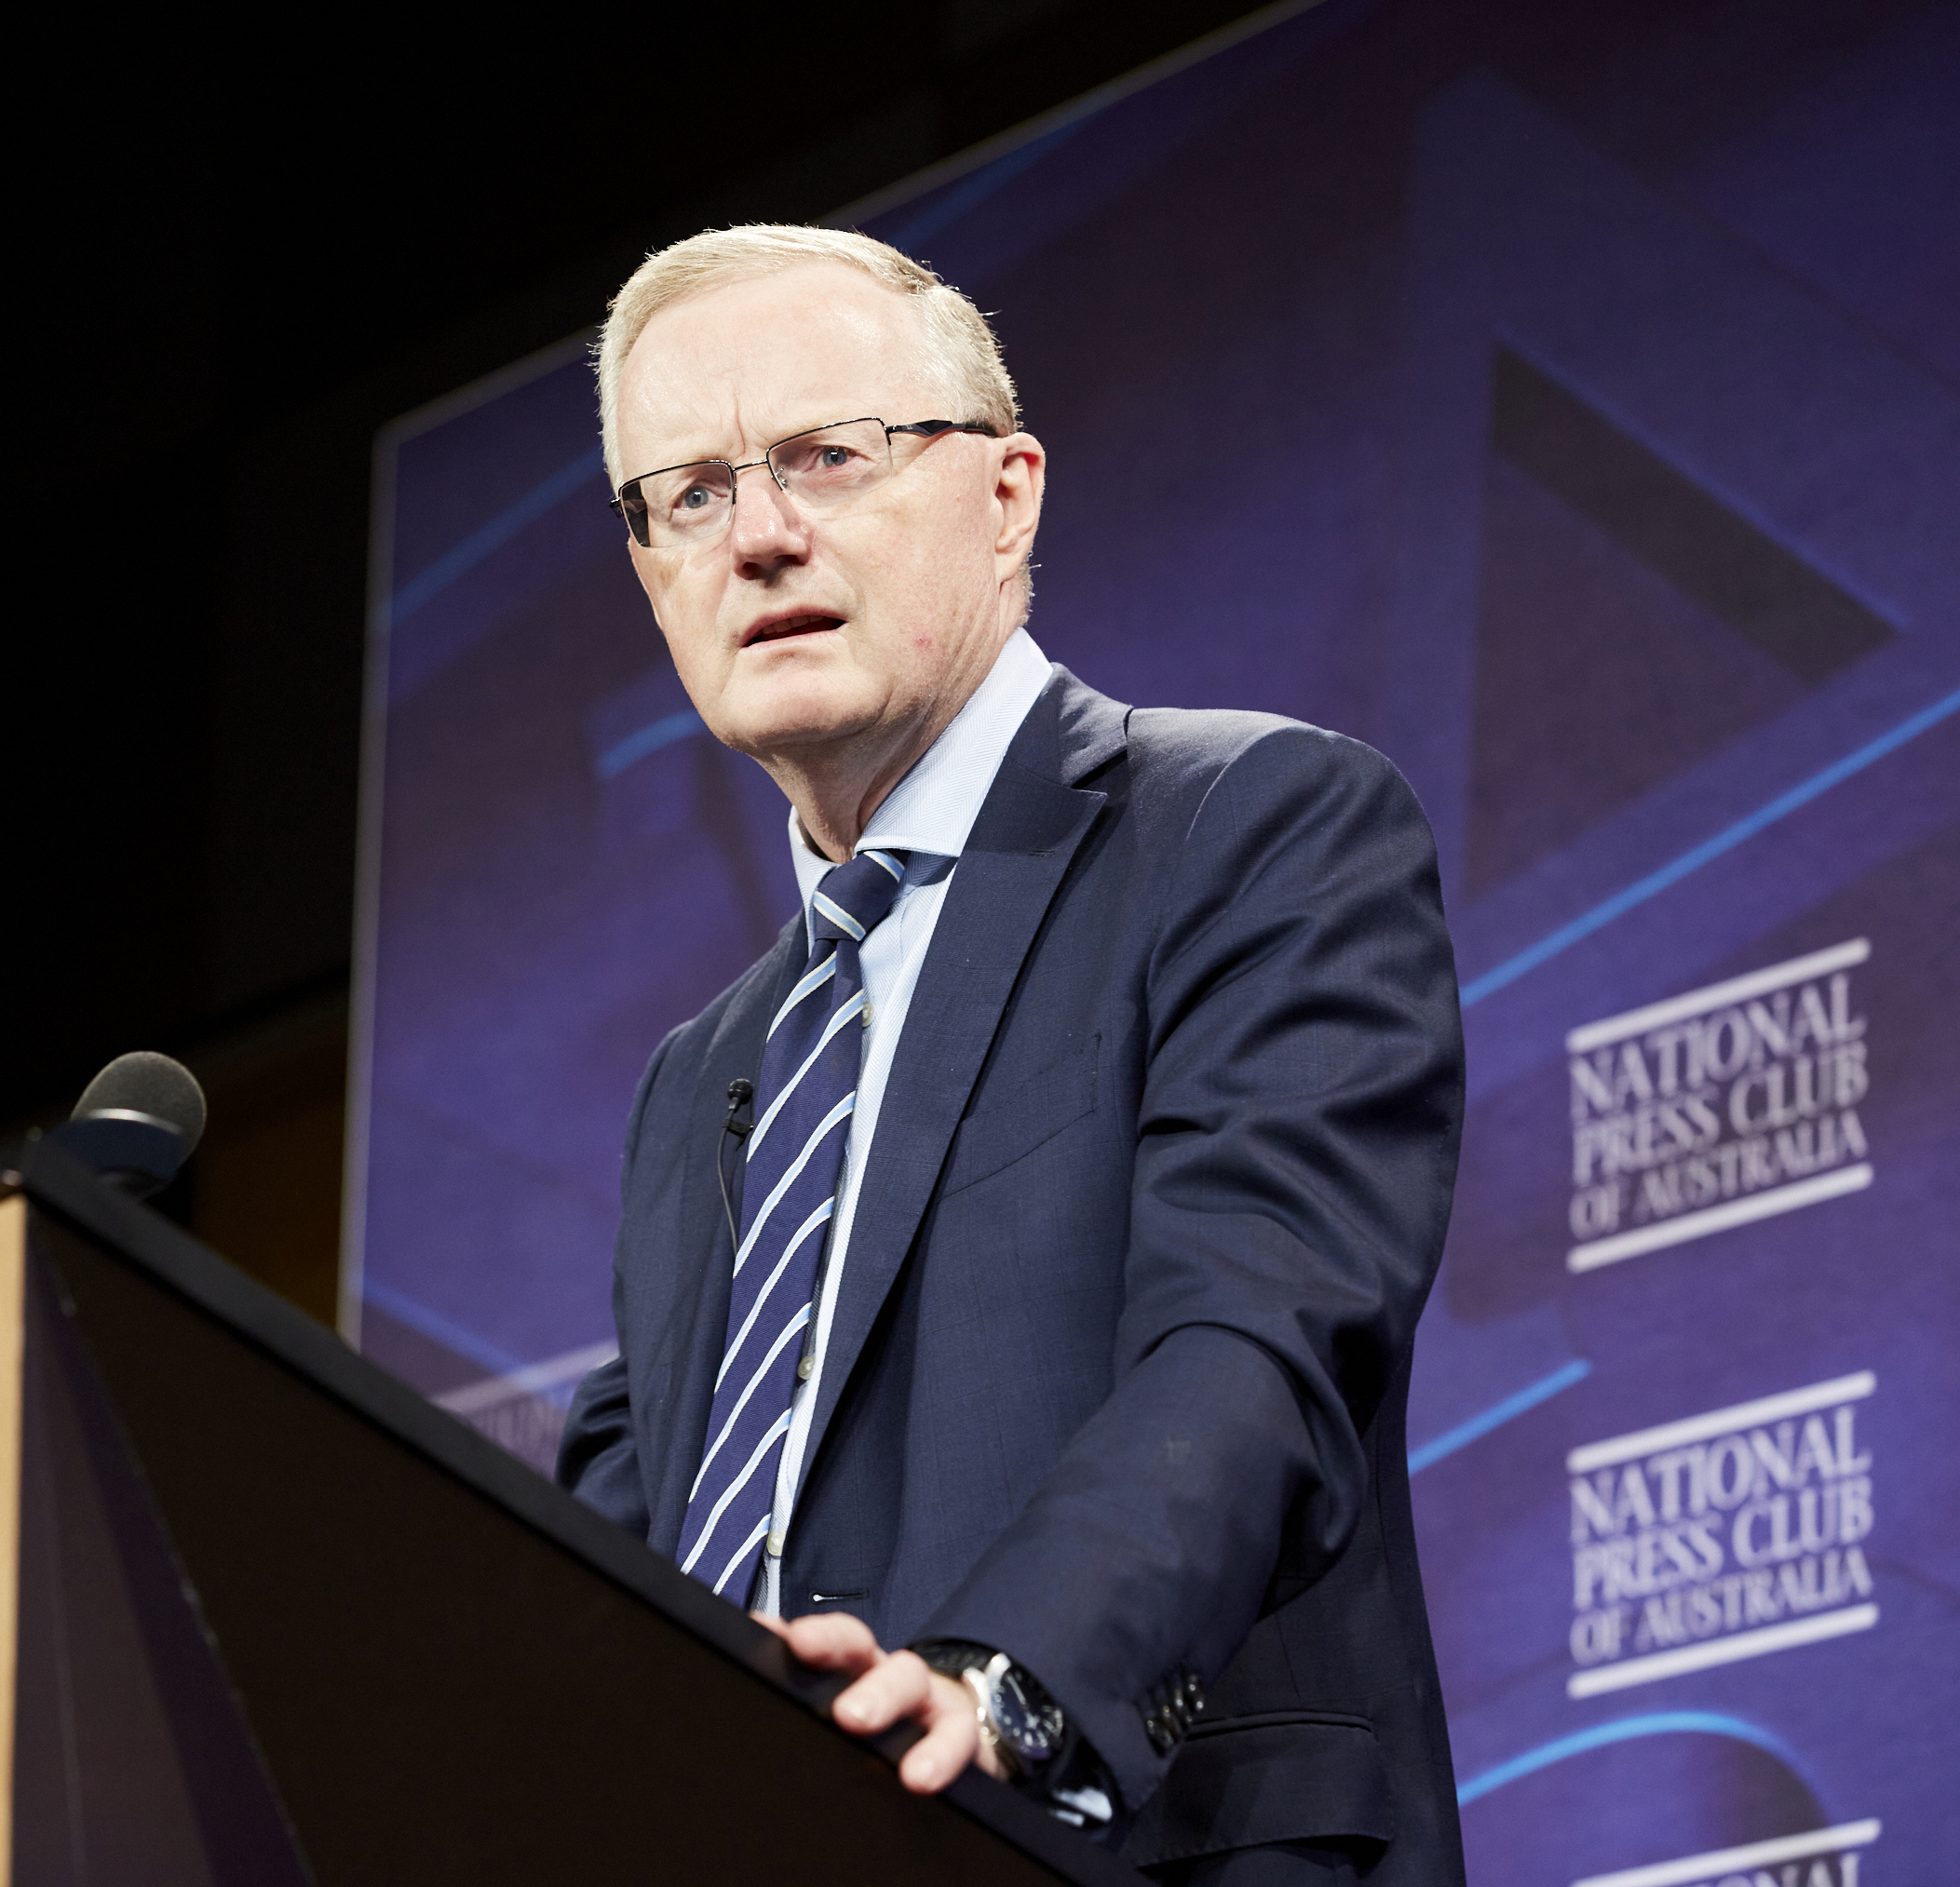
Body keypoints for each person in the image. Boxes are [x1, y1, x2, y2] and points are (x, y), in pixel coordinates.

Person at [557, 225, 1467, 1886]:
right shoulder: (700, 1077)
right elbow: (620, 1555)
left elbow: (1253, 1339)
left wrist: (1000, 1691)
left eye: (827, 456)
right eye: (687, 493)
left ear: (1006, 494)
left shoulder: (1249, 827)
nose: (757, 535)